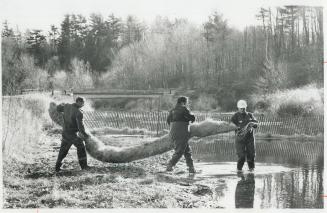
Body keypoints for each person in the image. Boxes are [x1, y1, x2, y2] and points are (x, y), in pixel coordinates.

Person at [55, 96, 90, 172]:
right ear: (78, 102)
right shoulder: (79, 112)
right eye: (83, 102)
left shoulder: (67, 106)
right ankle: (84, 166)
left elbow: (58, 109)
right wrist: (86, 136)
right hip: (72, 134)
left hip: (65, 132)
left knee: (63, 150)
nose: (83, 104)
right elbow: (81, 127)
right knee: (81, 146)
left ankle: (57, 167)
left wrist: (61, 105)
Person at [166, 96, 196, 173]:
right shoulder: (184, 108)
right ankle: (170, 165)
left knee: (187, 150)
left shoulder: (172, 110)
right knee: (179, 151)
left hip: (173, 131)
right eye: (186, 102)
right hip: (182, 131)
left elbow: (168, 121)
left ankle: (191, 168)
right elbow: (192, 118)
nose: (186, 104)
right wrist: (190, 120)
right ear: (183, 102)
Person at [231, 100, 258, 172]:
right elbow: (231, 125)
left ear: (246, 107)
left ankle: (251, 171)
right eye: (241, 108)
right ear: (238, 108)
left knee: (251, 156)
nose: (242, 109)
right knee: (242, 157)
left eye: (244, 108)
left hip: (250, 139)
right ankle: (239, 171)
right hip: (240, 139)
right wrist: (236, 128)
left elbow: (256, 124)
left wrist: (253, 124)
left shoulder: (250, 115)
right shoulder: (235, 116)